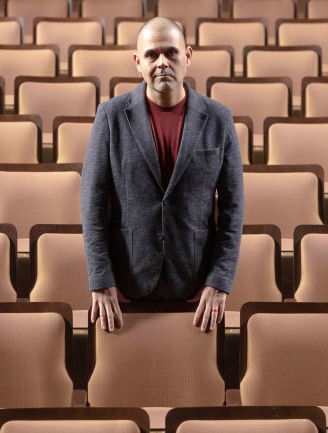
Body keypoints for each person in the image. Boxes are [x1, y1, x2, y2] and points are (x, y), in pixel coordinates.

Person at [81, 16, 244, 333]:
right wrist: (101, 278)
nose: (162, 63)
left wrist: (220, 280)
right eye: (152, 55)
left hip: (196, 286)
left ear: (188, 56)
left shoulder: (219, 119)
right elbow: (93, 203)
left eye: (171, 53)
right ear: (137, 61)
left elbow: (233, 209)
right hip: (127, 281)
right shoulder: (110, 116)